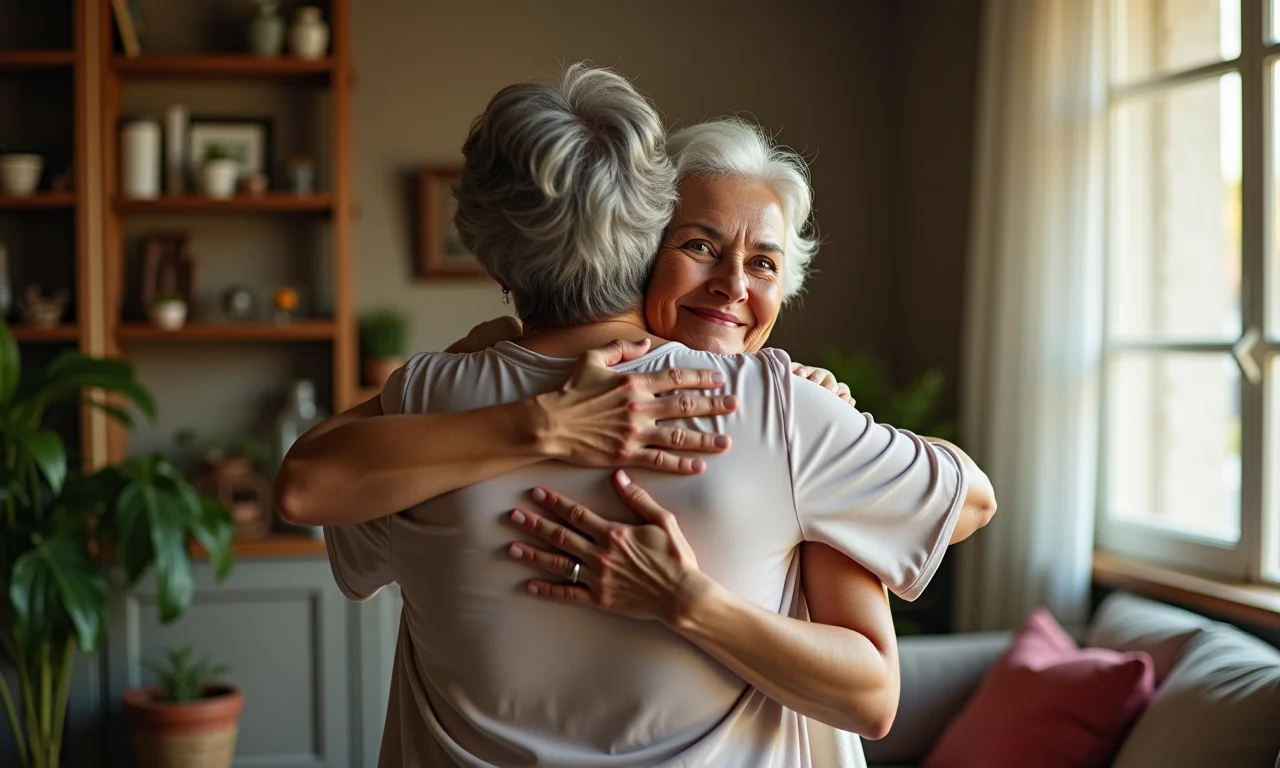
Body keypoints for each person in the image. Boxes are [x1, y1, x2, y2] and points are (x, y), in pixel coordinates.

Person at [277, 63, 995, 767]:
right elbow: (971, 503)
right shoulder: (781, 417)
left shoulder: (428, 403)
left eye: (764, 265)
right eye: (700, 245)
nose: (730, 287)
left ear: (494, 268)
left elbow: (308, 480)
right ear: (649, 241)